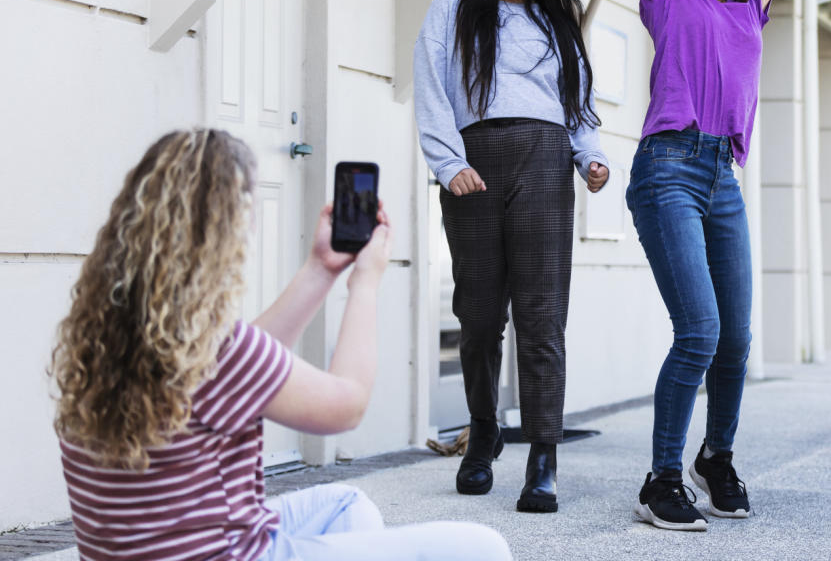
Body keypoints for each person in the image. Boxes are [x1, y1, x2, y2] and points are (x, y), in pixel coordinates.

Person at [529, 0, 831, 531]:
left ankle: (717, 456)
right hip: (667, 170)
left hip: (722, 179)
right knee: (699, 330)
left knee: (737, 337)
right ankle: (660, 479)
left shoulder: (753, 5)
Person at [51, 128, 511, 561]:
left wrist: (321, 268)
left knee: (348, 507)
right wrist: (365, 281)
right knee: (481, 547)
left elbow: (248, 365)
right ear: (220, 235)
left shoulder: (100, 342)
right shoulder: (219, 351)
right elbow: (346, 406)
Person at [414, 0, 610, 513]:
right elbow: (430, 87)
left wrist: (590, 157)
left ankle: (543, 456)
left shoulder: (558, 24)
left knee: (542, 316)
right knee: (477, 315)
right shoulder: (452, 9)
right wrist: (450, 164)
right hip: (474, 165)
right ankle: (483, 434)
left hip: (545, 163)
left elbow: (578, 99)